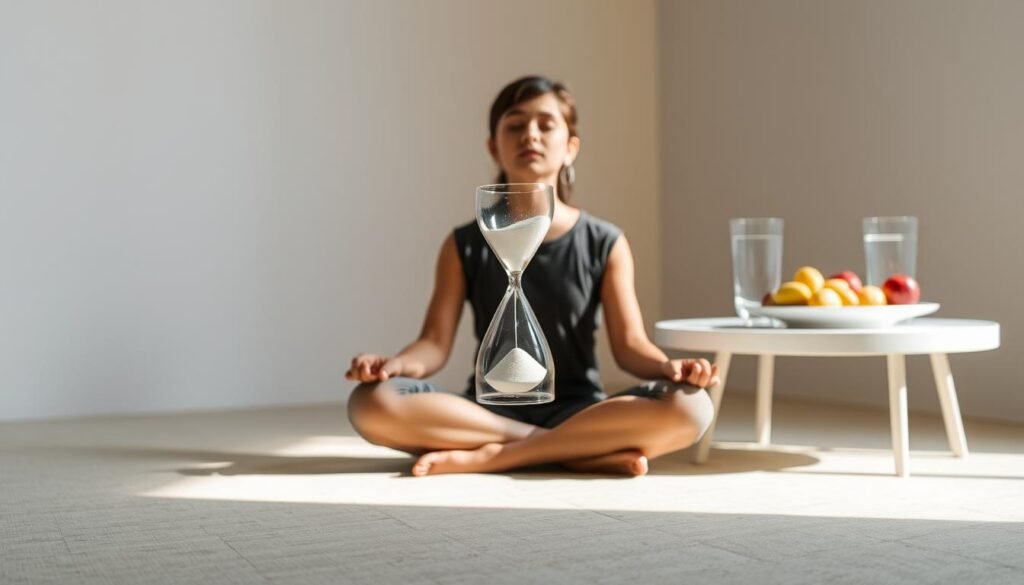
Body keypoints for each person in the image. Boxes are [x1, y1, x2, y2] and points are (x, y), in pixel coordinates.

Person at [345, 76, 718, 477]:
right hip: (488, 411)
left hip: (581, 408)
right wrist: (394, 365)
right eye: (516, 124)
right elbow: (434, 343)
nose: (531, 135)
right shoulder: (465, 243)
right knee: (371, 402)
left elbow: (629, 345)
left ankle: (499, 456)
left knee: (691, 406)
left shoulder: (604, 241)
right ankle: (571, 450)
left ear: (571, 147)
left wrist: (669, 369)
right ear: (493, 145)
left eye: (546, 124)